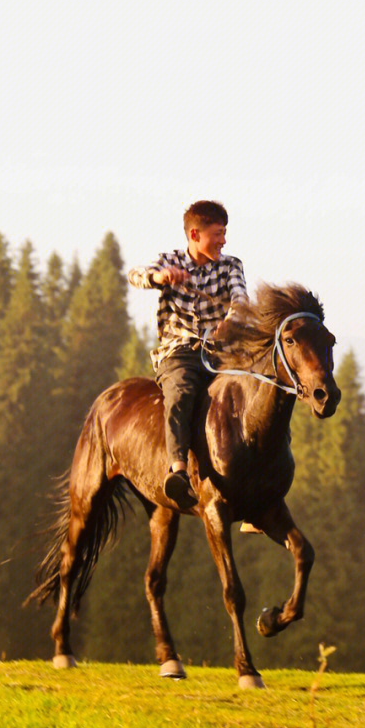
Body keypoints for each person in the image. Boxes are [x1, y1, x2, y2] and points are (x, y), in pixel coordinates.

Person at [128, 200, 248, 506]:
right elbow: (135, 275)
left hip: (221, 353)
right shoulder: (169, 260)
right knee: (181, 391)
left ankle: (257, 484)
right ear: (195, 235)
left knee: (254, 394)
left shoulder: (231, 266)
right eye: (217, 233)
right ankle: (178, 470)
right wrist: (160, 277)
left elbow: (240, 299)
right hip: (180, 352)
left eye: (224, 233)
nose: (223, 240)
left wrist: (230, 323)